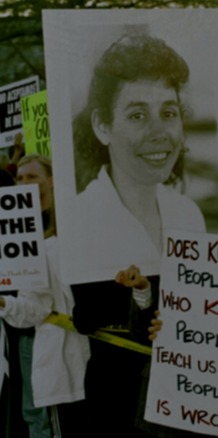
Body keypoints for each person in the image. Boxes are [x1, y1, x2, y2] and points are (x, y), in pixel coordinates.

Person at [69, 33, 206, 280]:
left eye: (168, 113)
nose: (159, 133)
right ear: (102, 126)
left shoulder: (188, 215)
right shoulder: (78, 223)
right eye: (137, 115)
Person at [0, 154, 91, 437]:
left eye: (31, 176)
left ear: (51, 181)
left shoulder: (81, 228)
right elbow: (34, 305)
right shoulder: (27, 235)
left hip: (89, 353)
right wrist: (4, 302)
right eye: (20, 177)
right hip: (54, 348)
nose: (23, 183)